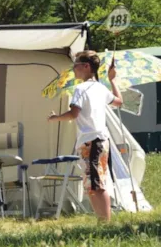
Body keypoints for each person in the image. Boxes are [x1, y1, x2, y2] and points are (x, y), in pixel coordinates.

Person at [47, 51, 123, 221]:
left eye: (76, 65)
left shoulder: (80, 89)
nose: (74, 68)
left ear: (86, 66)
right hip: (97, 141)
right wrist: (112, 80)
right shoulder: (101, 88)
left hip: (92, 141)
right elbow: (119, 101)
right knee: (92, 183)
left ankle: (105, 224)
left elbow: (74, 114)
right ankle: (102, 221)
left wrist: (55, 118)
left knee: (97, 183)